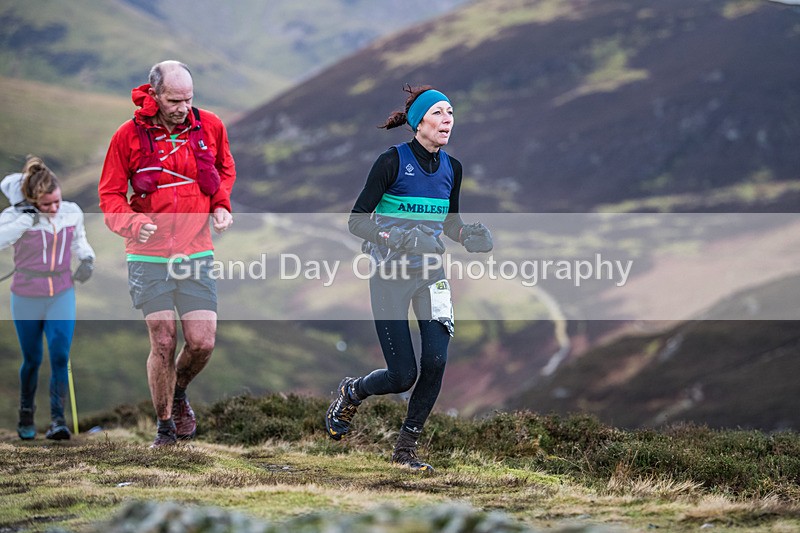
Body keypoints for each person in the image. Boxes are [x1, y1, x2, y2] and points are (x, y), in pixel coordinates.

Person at [325, 85, 493, 472]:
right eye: (437, 112)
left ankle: (405, 451)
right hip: (390, 276)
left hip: (431, 276)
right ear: (418, 123)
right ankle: (352, 391)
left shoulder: (453, 168)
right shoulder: (392, 162)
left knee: (435, 361)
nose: (447, 119)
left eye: (450, 112)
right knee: (403, 375)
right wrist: (395, 236)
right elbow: (356, 220)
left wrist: (469, 236)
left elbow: (450, 223)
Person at [98, 60, 236, 447]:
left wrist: (221, 205)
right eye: (174, 100)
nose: (182, 107)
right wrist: (133, 223)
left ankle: (176, 393)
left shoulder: (209, 126)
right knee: (163, 340)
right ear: (154, 94)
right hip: (148, 254)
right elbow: (109, 196)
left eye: (188, 99)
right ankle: (164, 430)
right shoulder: (127, 136)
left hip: (196, 250)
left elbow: (225, 169)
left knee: (202, 342)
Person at [0, 155, 95, 441]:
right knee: (32, 358)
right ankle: (26, 415)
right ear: (32, 201)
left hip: (62, 291)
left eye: (56, 202)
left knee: (59, 354)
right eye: (46, 205)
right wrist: (26, 220)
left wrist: (87, 259)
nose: (53, 209)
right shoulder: (17, 217)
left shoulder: (71, 211)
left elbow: (79, 239)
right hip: (26, 294)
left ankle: (57, 421)